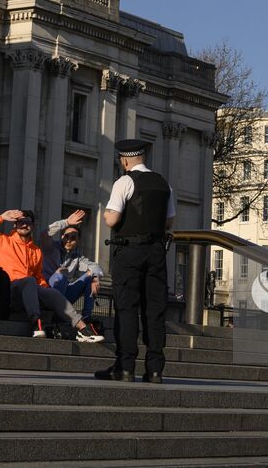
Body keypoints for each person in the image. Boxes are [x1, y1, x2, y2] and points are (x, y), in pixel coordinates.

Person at [95, 139, 175, 383]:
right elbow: (169, 222)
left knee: (127, 308)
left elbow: (112, 219)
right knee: (155, 310)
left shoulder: (125, 181)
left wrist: (107, 214)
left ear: (125, 160)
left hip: (130, 251)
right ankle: (155, 369)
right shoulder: (164, 183)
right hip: (156, 252)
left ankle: (125, 366)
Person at [0, 208, 104, 342]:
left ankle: (83, 328)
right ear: (14, 225)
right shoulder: (1, 241)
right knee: (30, 281)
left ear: (32, 226)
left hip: (29, 292)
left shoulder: (36, 251)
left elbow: (39, 277)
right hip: (8, 292)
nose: (24, 225)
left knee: (52, 293)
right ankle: (36, 323)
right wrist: (1, 217)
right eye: (21, 222)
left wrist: (46, 291)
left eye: (28, 222)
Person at [49, 225, 104, 322]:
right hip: (48, 292)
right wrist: (66, 222)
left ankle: (86, 317)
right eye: (66, 236)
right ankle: (54, 315)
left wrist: (95, 278)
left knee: (90, 277)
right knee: (61, 275)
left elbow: (95, 266)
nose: (68, 240)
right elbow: (46, 232)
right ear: (62, 236)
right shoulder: (51, 247)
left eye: (73, 238)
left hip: (65, 294)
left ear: (78, 241)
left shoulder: (77, 257)